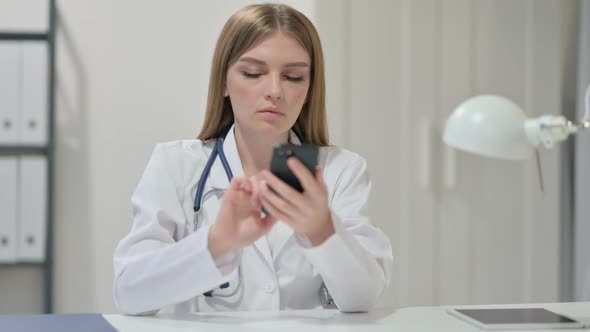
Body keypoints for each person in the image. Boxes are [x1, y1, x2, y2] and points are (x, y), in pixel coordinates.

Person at [113, 3, 393, 315]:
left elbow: (363, 299)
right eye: (253, 73)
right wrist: (216, 243)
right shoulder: (175, 165)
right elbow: (129, 293)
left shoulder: (341, 171)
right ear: (223, 81)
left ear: (311, 87)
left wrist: (322, 231)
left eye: (294, 77)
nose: (275, 90)